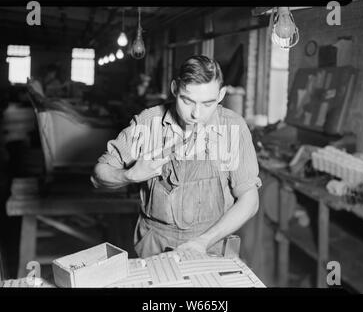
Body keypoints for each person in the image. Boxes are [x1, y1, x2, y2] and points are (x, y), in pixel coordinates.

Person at [91, 55, 262, 258]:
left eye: (208, 104)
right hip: (154, 246)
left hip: (211, 245)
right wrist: (129, 176)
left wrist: (203, 242)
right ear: (174, 89)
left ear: (221, 94)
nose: (196, 114)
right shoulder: (148, 124)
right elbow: (99, 174)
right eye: (187, 101)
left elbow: (249, 200)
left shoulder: (233, 128)